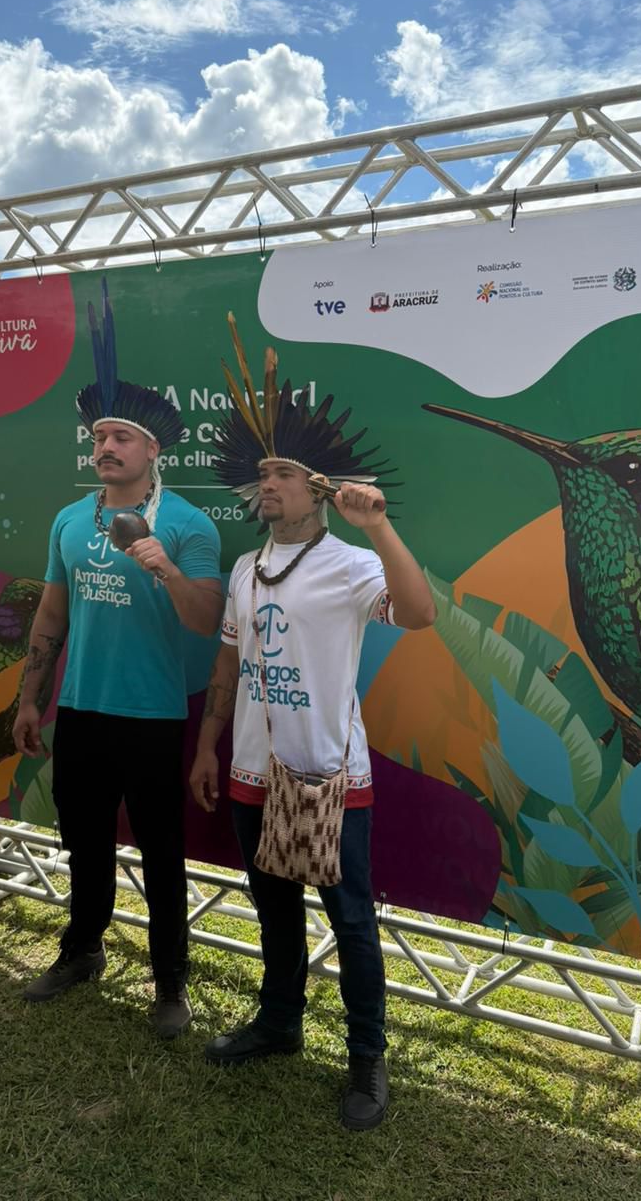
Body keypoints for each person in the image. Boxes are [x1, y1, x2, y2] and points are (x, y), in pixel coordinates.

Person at [189, 324, 436, 1131]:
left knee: (352, 919)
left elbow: (421, 614)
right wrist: (209, 746)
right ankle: (279, 1022)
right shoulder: (243, 566)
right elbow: (229, 662)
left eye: (284, 474)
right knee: (272, 907)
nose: (267, 484)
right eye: (263, 474)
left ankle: (367, 1059)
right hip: (251, 771)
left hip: (329, 772)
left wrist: (380, 528)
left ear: (319, 489)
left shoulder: (353, 564)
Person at [13, 279, 222, 1039]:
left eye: (121, 438)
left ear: (152, 449)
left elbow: (209, 622)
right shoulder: (70, 520)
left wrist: (163, 565)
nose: (105, 447)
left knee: (163, 854)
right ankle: (82, 951)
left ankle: (170, 983)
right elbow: (52, 612)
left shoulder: (190, 525)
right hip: (81, 710)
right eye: (99, 437)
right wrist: (31, 697)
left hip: (154, 715)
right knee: (85, 843)